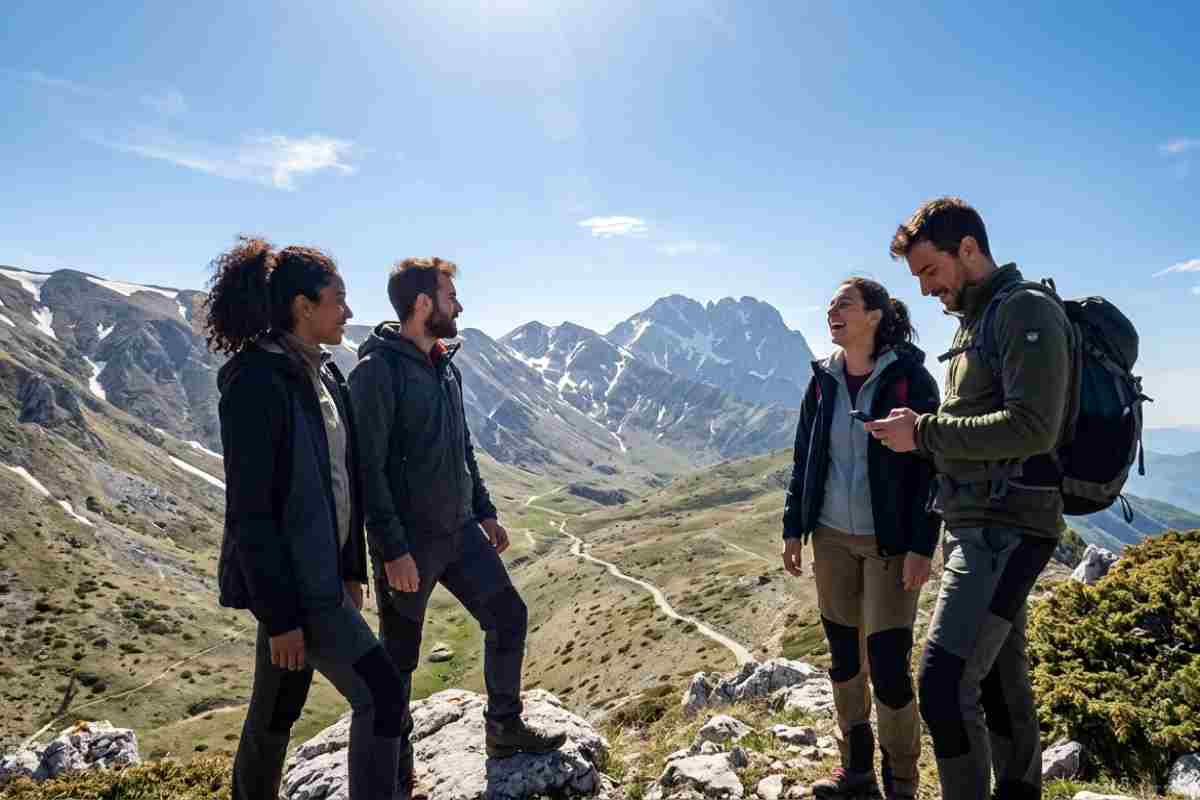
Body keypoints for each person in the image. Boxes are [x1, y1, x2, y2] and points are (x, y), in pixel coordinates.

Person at [868, 197, 1074, 799]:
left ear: (968, 249)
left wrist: (925, 432)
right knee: (998, 685)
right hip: (976, 523)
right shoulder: (976, 321)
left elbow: (1033, 426)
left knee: (942, 685)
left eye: (931, 271)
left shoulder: (1025, 310)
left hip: (1006, 527)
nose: (927, 288)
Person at [347, 257, 565, 798]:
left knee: (509, 615)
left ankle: (504, 729)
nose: (459, 305)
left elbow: (462, 447)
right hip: (410, 547)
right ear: (423, 304)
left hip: (460, 531)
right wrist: (391, 549)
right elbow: (365, 469)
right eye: (450, 296)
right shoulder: (376, 373)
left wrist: (485, 508)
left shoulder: (447, 365)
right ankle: (397, 775)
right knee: (398, 662)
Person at [208, 236, 405, 800]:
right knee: (383, 695)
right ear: (303, 306)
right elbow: (251, 512)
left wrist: (351, 567)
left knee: (276, 709)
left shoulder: (325, 375)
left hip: (323, 579)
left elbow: (342, 481)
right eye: (338, 298)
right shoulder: (255, 383)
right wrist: (281, 617)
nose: (348, 311)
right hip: (298, 591)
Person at [782, 277, 941, 800]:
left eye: (844, 304)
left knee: (891, 666)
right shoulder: (822, 380)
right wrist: (792, 529)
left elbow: (932, 470)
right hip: (829, 539)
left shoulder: (910, 380)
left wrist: (923, 544)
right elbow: (805, 457)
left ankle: (902, 782)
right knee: (844, 659)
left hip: (889, 544)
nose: (832, 311)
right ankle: (855, 772)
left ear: (874, 316)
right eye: (830, 305)